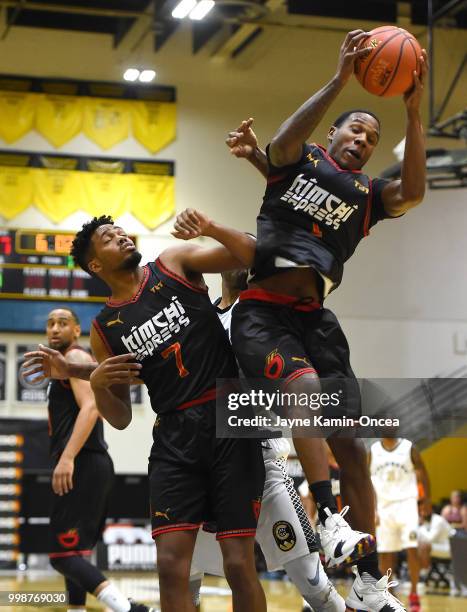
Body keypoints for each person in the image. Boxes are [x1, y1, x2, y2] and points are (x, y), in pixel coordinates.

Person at [220, 28, 427, 610]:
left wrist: (411, 114)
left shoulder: (367, 195)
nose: (362, 139)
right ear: (333, 132)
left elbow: (413, 193)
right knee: (304, 392)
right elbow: (284, 144)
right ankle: (329, 516)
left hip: (316, 319)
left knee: (355, 452)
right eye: (355, 128)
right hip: (264, 313)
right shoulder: (295, 160)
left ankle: (368, 581)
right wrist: (340, 79)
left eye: (371, 136)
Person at [24, 217, 266, 612]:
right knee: (170, 566)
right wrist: (99, 383)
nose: (120, 235)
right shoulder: (105, 329)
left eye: (120, 230)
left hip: (229, 419)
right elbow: (119, 418)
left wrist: (209, 226)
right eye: (108, 237)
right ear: (96, 265)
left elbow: (250, 253)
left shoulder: (173, 262)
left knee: (238, 563)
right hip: (174, 437)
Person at [188, 266, 345, 611]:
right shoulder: (199, 320)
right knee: (185, 580)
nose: (242, 261)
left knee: (315, 584)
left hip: (263, 461)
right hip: (205, 463)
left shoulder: (268, 320)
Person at [38, 308, 152, 612]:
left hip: (84, 462)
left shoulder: (74, 358)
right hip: (92, 464)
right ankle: (77, 609)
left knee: (61, 556)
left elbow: (91, 408)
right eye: (50, 324)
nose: (54, 329)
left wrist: (67, 457)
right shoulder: (64, 365)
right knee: (74, 550)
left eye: (63, 323)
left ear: (76, 331)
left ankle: (129, 609)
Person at [369, 438, 431, 612]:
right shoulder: (373, 451)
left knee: (412, 547)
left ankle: (413, 593)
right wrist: (372, 509)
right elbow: (367, 482)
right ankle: (389, 595)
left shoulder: (409, 448)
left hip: (407, 505)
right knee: (386, 554)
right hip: (383, 508)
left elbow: (423, 473)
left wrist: (426, 500)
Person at [418, 501, 455, 571]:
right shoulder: (426, 521)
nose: (422, 513)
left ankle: (424, 571)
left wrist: (421, 525)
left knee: (424, 546)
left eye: (425, 510)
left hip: (449, 549)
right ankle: (417, 570)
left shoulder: (438, 520)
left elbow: (429, 539)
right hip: (438, 546)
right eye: (421, 510)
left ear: (431, 510)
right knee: (416, 545)